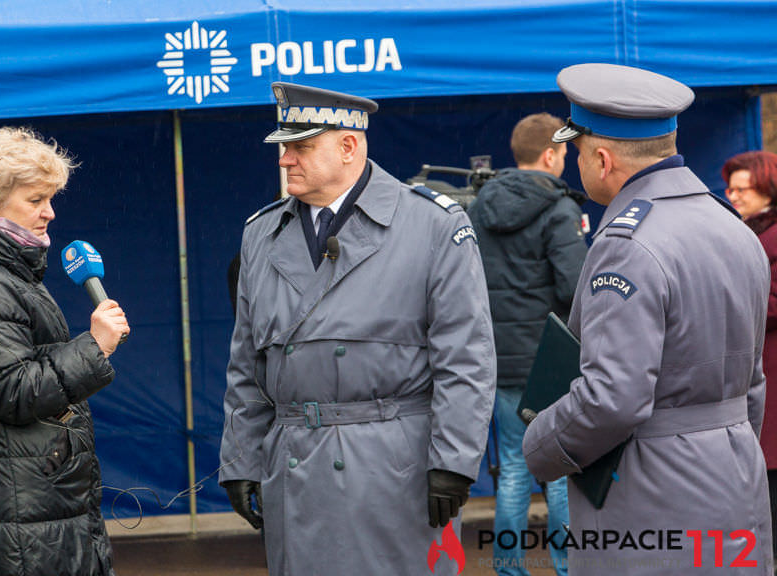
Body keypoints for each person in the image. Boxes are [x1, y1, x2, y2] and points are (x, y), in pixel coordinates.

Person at [219, 82, 496, 575]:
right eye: (284, 147)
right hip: (295, 465)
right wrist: (240, 459)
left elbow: (466, 355)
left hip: (393, 467)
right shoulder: (261, 233)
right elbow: (246, 363)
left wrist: (453, 461)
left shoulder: (430, 225)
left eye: (301, 146)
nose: (285, 160)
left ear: (348, 146)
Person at [522, 63, 774, 575]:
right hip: (735, 481)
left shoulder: (627, 245)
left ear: (602, 158)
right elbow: (752, 384)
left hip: (650, 492)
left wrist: (539, 445)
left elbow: (614, 398)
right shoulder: (731, 227)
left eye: (578, 152)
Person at [0, 127, 130, 576]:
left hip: (33, 507)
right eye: (36, 200)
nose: (50, 213)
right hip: (18, 519)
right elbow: (12, 391)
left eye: (51, 199)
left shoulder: (4, 270)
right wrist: (93, 347)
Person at [467, 112, 586, 576]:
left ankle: (510, 570)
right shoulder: (561, 209)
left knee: (515, 469)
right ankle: (567, 568)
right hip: (551, 362)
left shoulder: (478, 206)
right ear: (552, 154)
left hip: (499, 359)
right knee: (560, 473)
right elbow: (577, 289)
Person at [722, 150, 777, 566]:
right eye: (731, 188)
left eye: (742, 189)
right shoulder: (750, 234)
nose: (733, 196)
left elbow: (770, 303)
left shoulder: (769, 237)